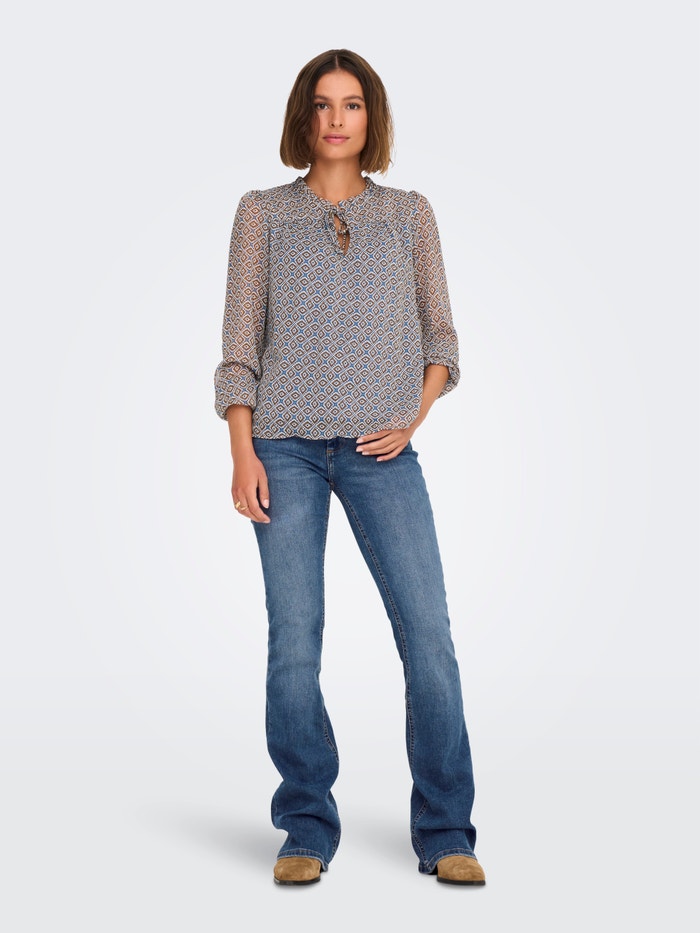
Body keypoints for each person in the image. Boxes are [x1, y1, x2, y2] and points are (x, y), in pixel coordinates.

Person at [213, 49, 485, 887]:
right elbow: (239, 348)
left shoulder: (409, 214)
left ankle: (446, 830)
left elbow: (441, 338)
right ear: (304, 116)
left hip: (380, 449)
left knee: (429, 637)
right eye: (324, 103)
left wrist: (413, 415)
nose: (337, 118)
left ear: (373, 118)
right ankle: (305, 823)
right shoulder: (262, 213)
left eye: (353, 103)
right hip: (283, 448)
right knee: (294, 642)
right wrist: (242, 451)